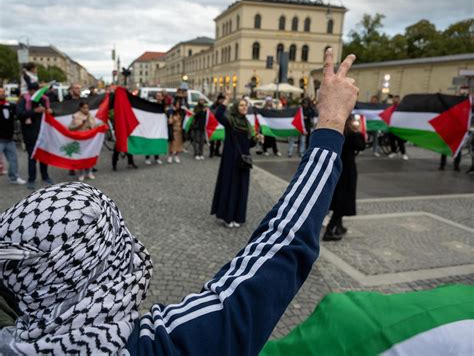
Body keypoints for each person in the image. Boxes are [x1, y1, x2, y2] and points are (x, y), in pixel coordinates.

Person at [0, 48, 359, 355]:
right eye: (116, 238)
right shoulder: (155, 348)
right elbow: (281, 248)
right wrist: (330, 124)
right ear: (90, 272)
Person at [211, 93, 263, 227]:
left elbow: (248, 144)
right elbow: (217, 115)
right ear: (236, 107)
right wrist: (225, 101)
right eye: (241, 105)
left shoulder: (247, 123)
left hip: (244, 160)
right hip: (231, 158)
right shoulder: (230, 120)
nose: (244, 107)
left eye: (245, 105)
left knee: (241, 187)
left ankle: (237, 217)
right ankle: (228, 217)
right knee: (230, 185)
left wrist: (256, 139)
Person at [323, 115, 366, 241]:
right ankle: (331, 230)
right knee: (342, 199)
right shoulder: (352, 134)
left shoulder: (338, 132)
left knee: (339, 197)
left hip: (337, 168)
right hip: (347, 170)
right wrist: (358, 130)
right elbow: (361, 145)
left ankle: (339, 225)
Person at [16, 85, 54, 190]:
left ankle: (45, 177)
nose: (34, 92)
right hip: (30, 134)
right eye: (32, 90)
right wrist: (34, 111)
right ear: (29, 91)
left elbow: (51, 113)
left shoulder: (44, 100)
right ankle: (31, 179)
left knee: (44, 157)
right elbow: (19, 114)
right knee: (32, 158)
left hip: (43, 134)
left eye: (36, 90)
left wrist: (50, 111)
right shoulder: (24, 100)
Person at [0, 87, 26, 185]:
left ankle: (14, 178)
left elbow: (19, 112)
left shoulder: (10, 105)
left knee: (13, 159)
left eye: (3, 92)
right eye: (0, 92)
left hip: (9, 139)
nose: (2, 93)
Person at [69, 101, 97, 181]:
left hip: (89, 138)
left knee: (90, 155)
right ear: (80, 108)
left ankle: (89, 172)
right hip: (80, 138)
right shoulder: (76, 116)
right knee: (81, 156)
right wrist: (81, 124)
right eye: (84, 108)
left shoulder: (90, 115)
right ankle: (82, 173)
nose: (86, 109)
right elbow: (71, 127)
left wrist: (92, 125)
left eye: (87, 108)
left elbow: (94, 125)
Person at [145, 91, 166, 165]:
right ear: (156, 97)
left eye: (160, 96)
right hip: (152, 126)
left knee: (157, 142)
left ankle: (157, 158)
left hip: (159, 126)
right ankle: (147, 158)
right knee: (150, 142)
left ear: (162, 97)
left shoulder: (164, 105)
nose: (159, 97)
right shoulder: (152, 105)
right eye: (157, 96)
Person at [388, 95, 409, 160]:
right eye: (394, 99)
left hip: (399, 127)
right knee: (392, 141)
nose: (394, 100)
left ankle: (403, 153)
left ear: (399, 100)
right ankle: (393, 152)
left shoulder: (402, 107)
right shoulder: (390, 107)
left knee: (400, 141)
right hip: (391, 126)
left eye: (396, 99)